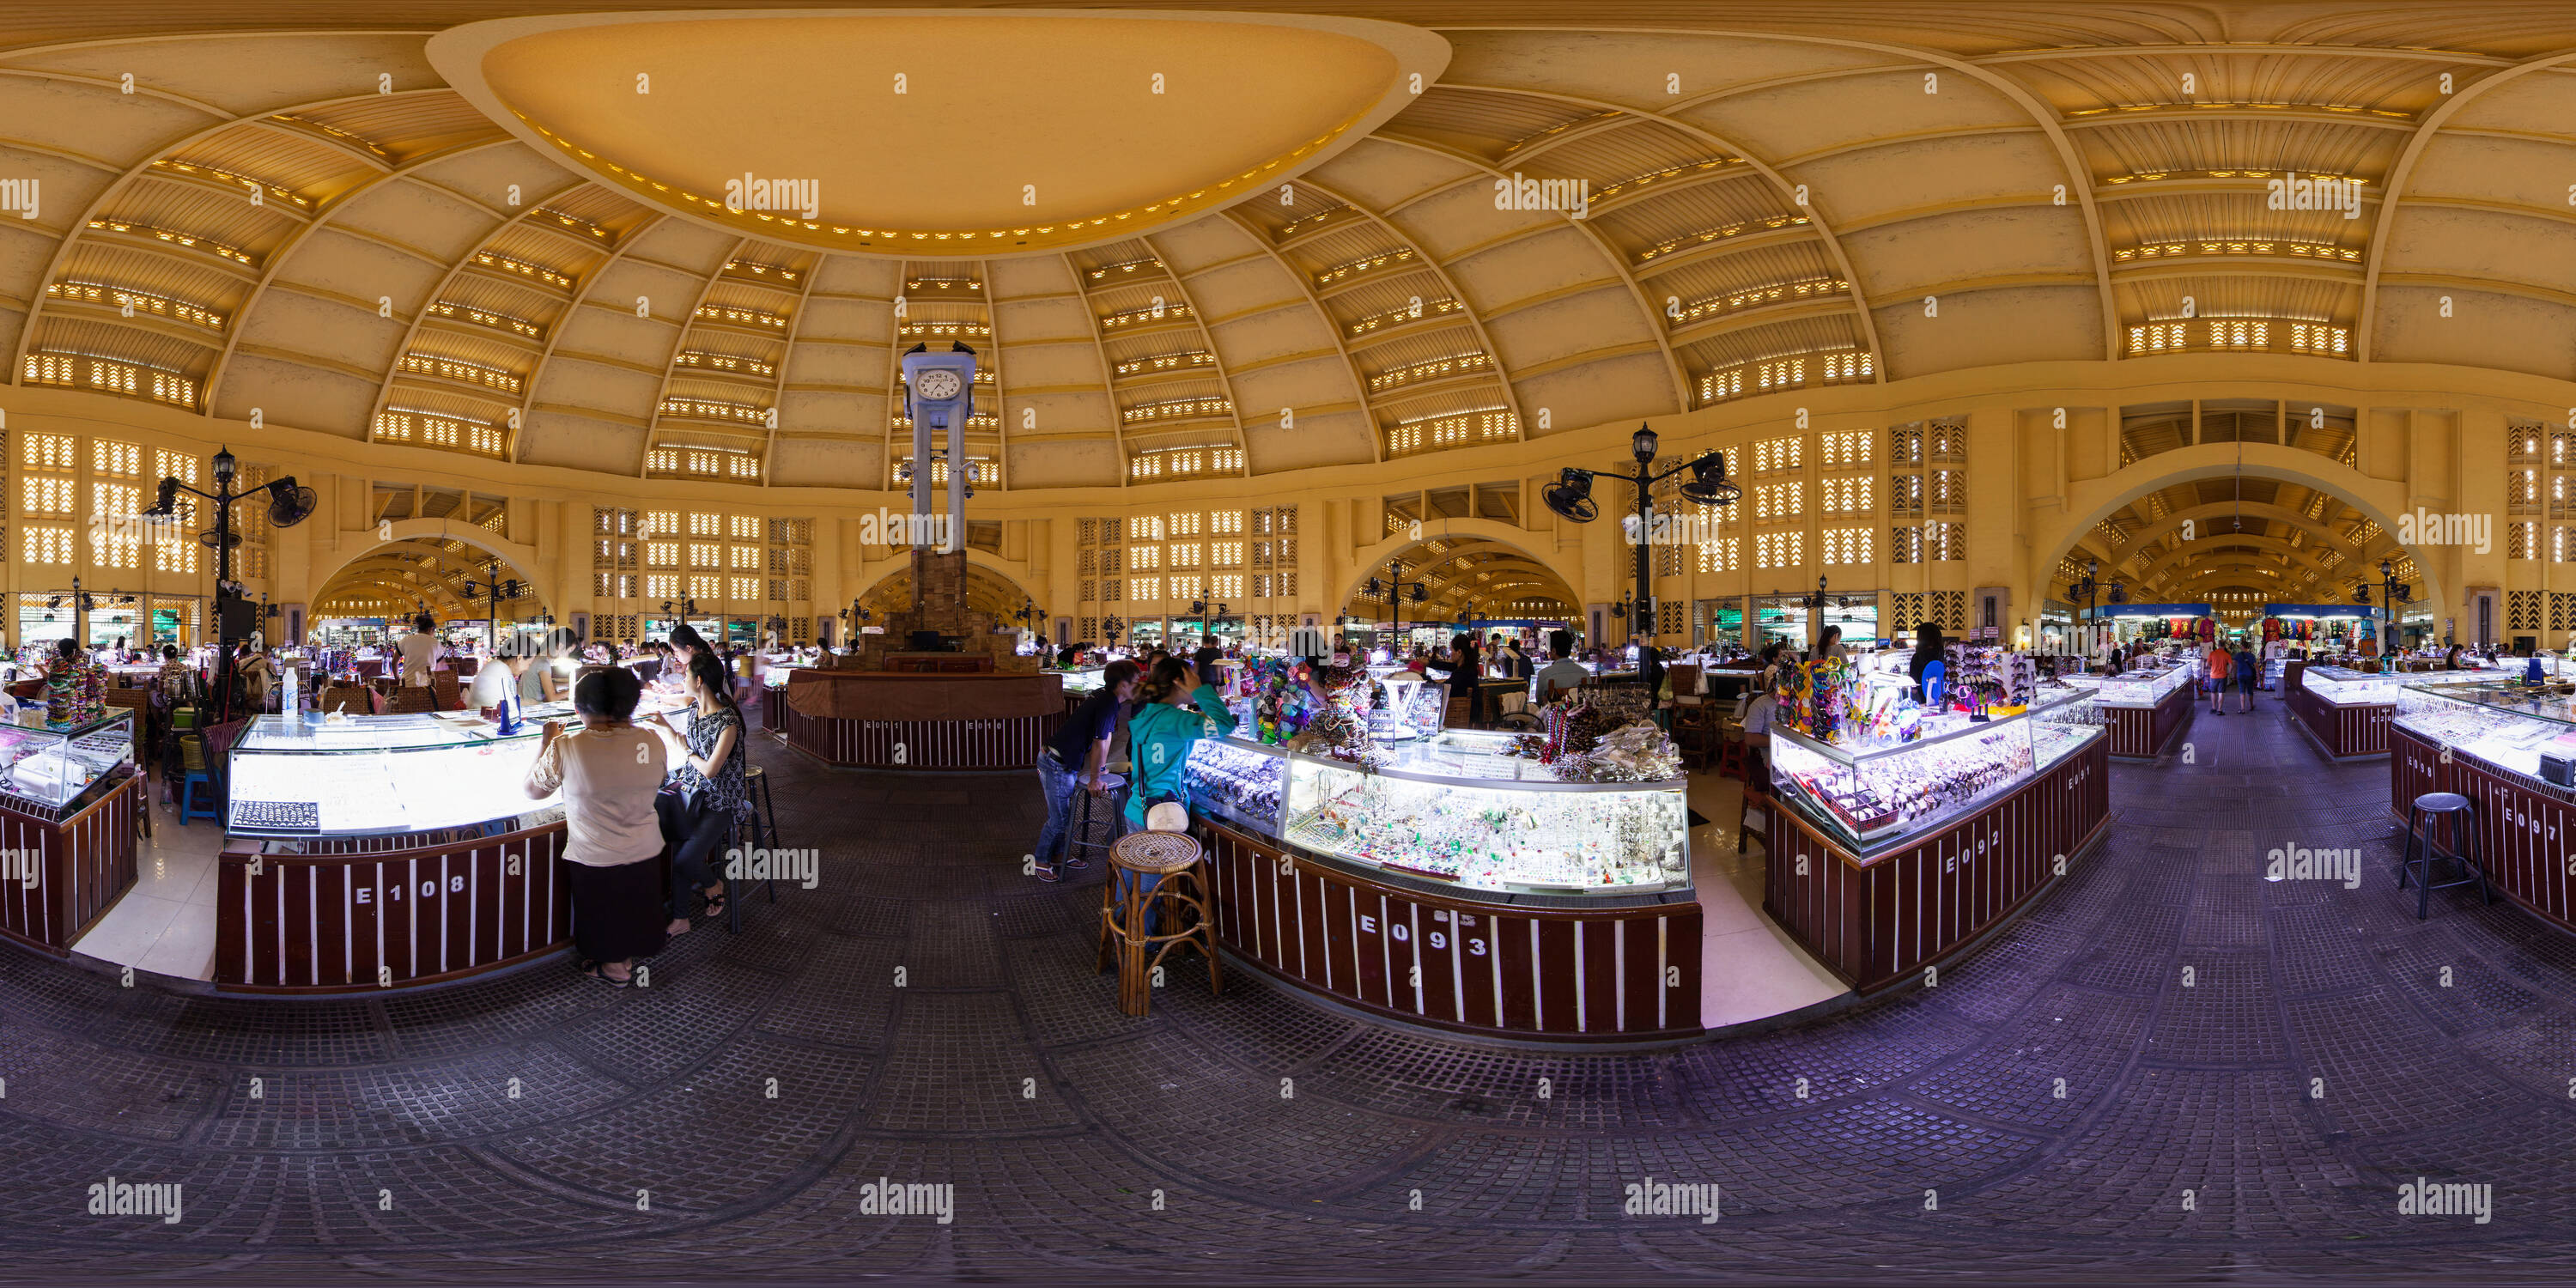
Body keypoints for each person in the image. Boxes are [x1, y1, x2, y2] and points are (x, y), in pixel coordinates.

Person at [523, 668, 667, 987]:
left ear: (579, 710)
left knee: (603, 913)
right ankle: (626, 958)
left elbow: (533, 792)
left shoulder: (568, 747)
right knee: (633, 906)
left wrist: (547, 741)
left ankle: (616, 969)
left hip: (596, 855)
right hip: (645, 848)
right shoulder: (652, 740)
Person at [1121, 658, 1240, 929]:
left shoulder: (1149, 713)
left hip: (1137, 808)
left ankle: (1119, 924)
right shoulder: (1176, 720)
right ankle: (1141, 945)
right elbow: (1224, 724)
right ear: (1179, 682)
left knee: (1131, 875)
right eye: (1193, 678)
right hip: (1161, 818)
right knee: (1150, 889)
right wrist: (1202, 692)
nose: (1198, 681)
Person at [647, 652, 750, 936]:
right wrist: (655, 697)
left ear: (699, 680)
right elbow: (674, 700)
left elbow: (710, 770)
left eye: (686, 675)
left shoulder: (728, 721)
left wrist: (676, 742)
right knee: (681, 848)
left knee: (685, 859)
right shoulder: (694, 708)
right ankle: (681, 918)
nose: (682, 679)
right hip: (692, 794)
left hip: (720, 801)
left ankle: (712, 883)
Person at [1030, 659, 1142, 884]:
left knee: (1065, 813)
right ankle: (1040, 860)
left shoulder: (1105, 696)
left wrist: (1099, 771)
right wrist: (1095, 778)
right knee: (1059, 818)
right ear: (1122, 684)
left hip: (1062, 760)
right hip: (1055, 762)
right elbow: (1100, 742)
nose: (1138, 687)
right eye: (1135, 682)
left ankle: (1059, 856)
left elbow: (1106, 736)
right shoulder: (1108, 703)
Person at [42, 637, 105, 727]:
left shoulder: (65, 664)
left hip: (68, 704)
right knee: (78, 725)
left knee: (70, 726)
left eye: (59, 649)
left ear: (63, 650)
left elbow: (55, 681)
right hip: (82, 701)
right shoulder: (82, 661)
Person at [1533, 629, 1589, 705]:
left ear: (1554, 651)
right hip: (1580, 716)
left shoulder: (1544, 674)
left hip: (1554, 716)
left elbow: (1539, 702)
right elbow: (1589, 699)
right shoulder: (1584, 673)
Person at [469, 648, 532, 714]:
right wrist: (530, 703)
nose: (527, 669)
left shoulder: (493, 665)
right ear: (519, 658)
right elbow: (509, 708)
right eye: (529, 664)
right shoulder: (502, 671)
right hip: (485, 720)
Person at [1907, 623, 1946, 702]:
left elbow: (1913, 687)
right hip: (1945, 699)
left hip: (1923, 702)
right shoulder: (1944, 655)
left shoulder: (1917, 658)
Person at [398, 612, 438, 688]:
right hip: (426, 687)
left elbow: (394, 662)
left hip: (406, 685)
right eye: (434, 631)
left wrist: (397, 678)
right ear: (431, 629)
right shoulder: (435, 643)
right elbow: (441, 668)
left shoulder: (405, 640)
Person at [2203, 636, 2232, 714]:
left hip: (2213, 675)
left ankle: (2213, 708)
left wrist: (2212, 666)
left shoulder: (2212, 653)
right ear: (2224, 646)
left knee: (2213, 692)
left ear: (2218, 645)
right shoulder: (2227, 654)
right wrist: (2228, 672)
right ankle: (2219, 710)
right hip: (2223, 675)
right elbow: (2231, 666)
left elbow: (2206, 664)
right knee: (2221, 692)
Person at [2233, 638, 2258, 712]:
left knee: (2242, 691)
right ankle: (2251, 706)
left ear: (2243, 647)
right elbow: (2256, 666)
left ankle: (2242, 709)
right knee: (2250, 691)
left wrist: (2234, 675)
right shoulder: (2252, 656)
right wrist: (2258, 676)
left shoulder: (2238, 655)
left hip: (2240, 675)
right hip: (2249, 675)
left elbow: (2234, 665)